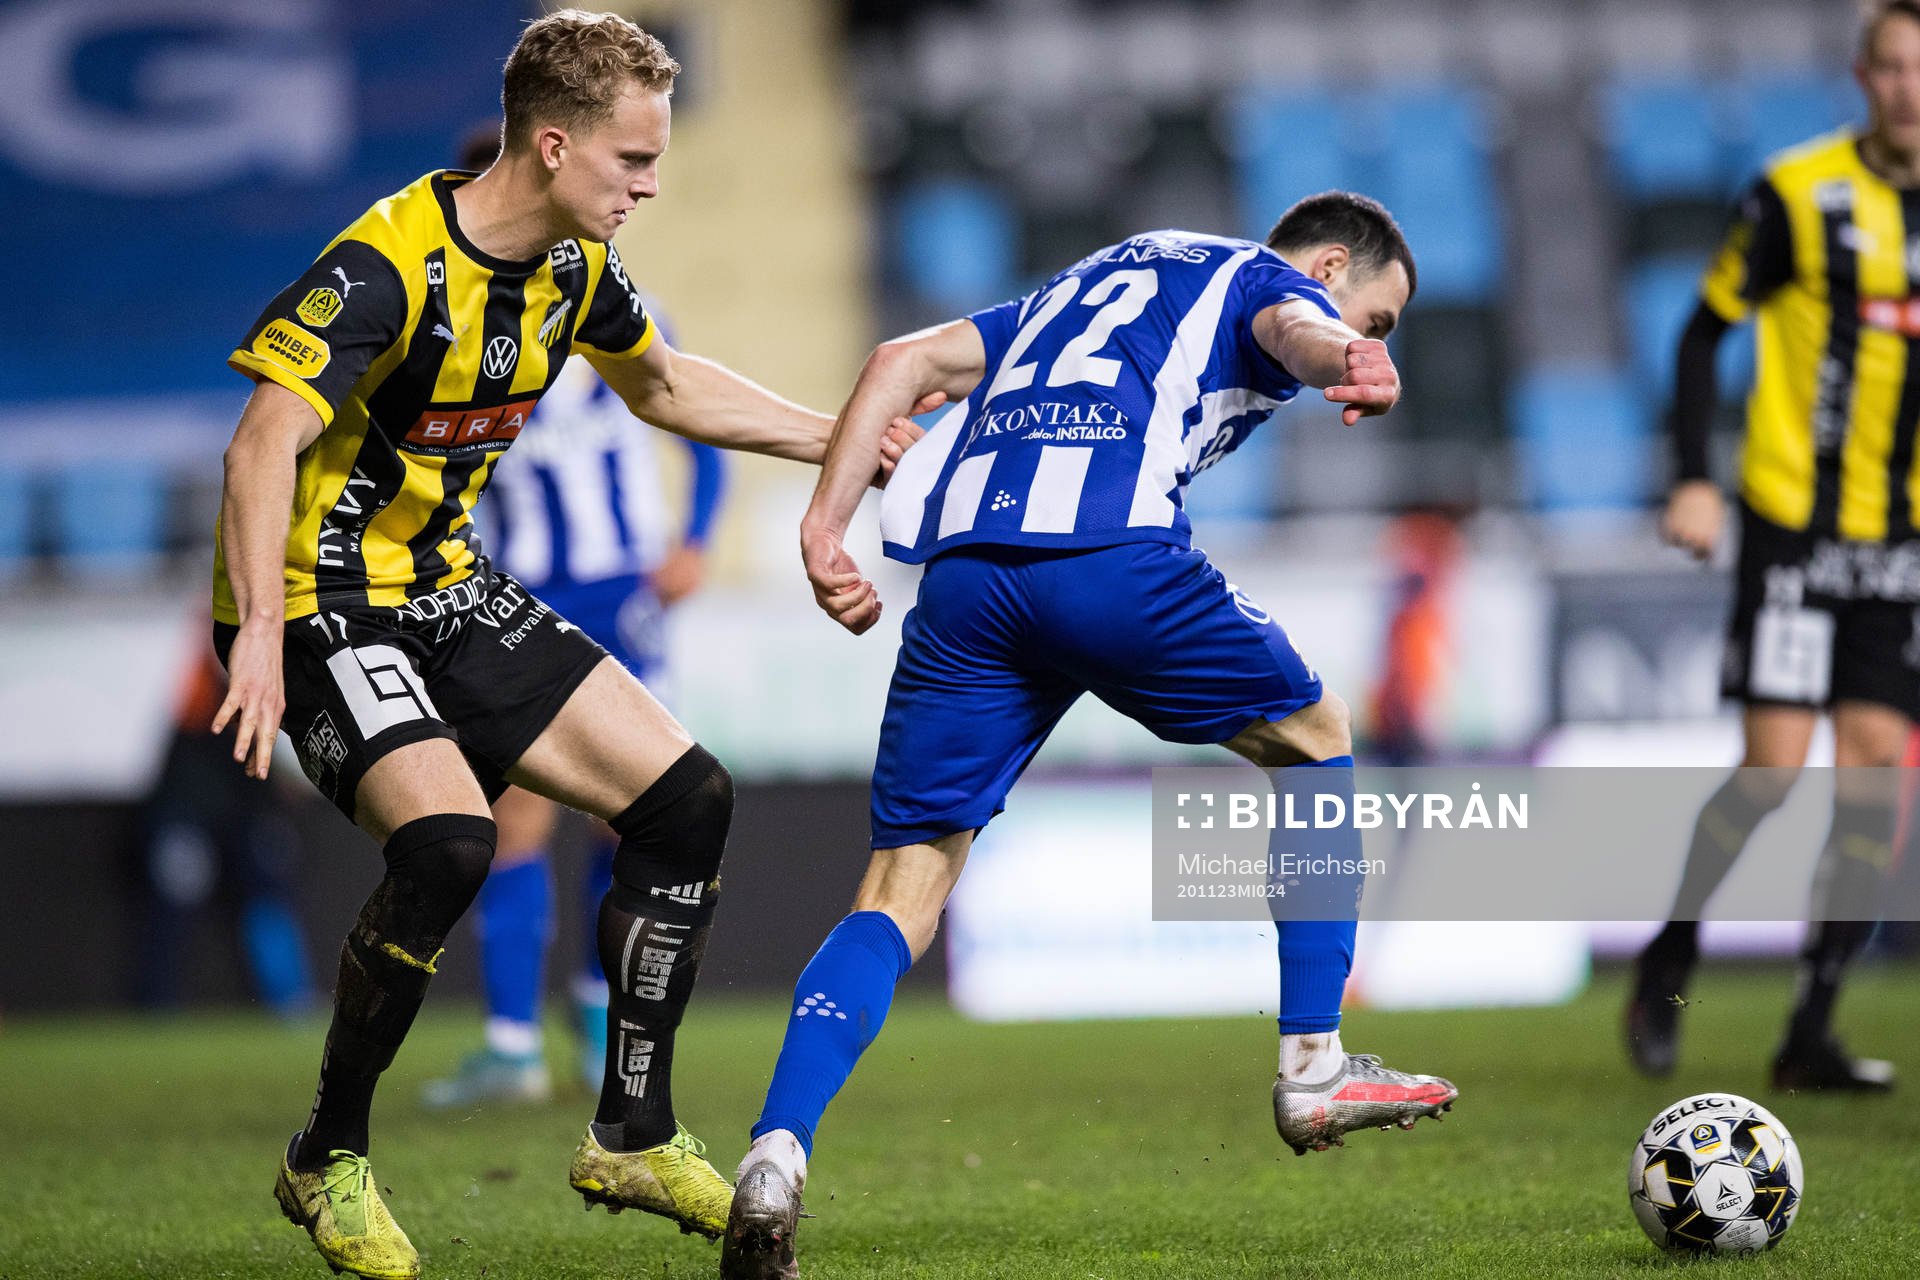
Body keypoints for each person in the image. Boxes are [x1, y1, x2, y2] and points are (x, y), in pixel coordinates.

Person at [212, 13, 912, 1278]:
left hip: (444, 585)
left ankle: (631, 1131)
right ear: (552, 144)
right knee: (449, 842)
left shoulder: (575, 269)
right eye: (633, 160)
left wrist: (847, 431)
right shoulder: (388, 264)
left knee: (684, 796)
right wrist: (261, 631)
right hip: (317, 600)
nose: (649, 185)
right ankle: (327, 1155)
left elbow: (668, 388)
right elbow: (263, 441)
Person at [720, 194, 1457, 1279]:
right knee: (1317, 732)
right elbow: (1297, 328)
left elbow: (899, 360)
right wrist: (1351, 349)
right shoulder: (1267, 280)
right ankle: (1314, 1061)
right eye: (1380, 314)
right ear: (1336, 264)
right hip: (1111, 559)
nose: (1373, 335)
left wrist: (825, 528)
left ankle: (775, 1151)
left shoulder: (1082, 283)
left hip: (967, 580)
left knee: (899, 887)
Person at [1625, 0, 1920, 1093]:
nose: (1908, 90)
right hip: (1796, 525)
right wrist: (1695, 476)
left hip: (1904, 540)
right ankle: (1675, 945)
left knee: (1878, 772)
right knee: (1772, 772)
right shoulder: (1799, 193)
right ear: (1862, 76)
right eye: (1891, 68)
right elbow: (1704, 328)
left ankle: (1813, 1025)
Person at [420, 129, 728, 1111]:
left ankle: (598, 1022)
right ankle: (513, 1043)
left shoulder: (617, 302)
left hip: (623, 593)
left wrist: (697, 538)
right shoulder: (454, 329)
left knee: (628, 814)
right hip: (524, 598)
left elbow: (697, 422)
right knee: (515, 817)